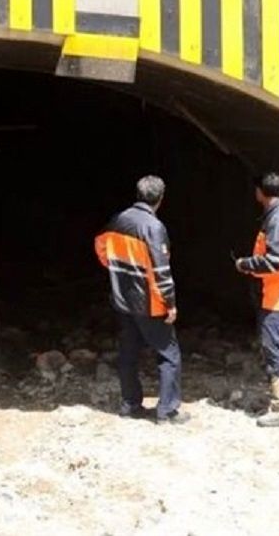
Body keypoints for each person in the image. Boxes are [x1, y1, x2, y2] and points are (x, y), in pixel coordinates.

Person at [95, 175, 186, 424]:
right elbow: (161, 271)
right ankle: (166, 411)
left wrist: (116, 269)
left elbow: (100, 244)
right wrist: (170, 304)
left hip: (122, 300)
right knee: (169, 355)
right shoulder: (153, 227)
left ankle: (130, 404)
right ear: (161, 199)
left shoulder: (118, 220)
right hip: (149, 303)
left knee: (128, 353)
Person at [234, 172, 279, 427]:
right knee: (271, 344)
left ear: (260, 192)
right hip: (274, 292)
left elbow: (275, 261)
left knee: (274, 345)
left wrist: (246, 264)